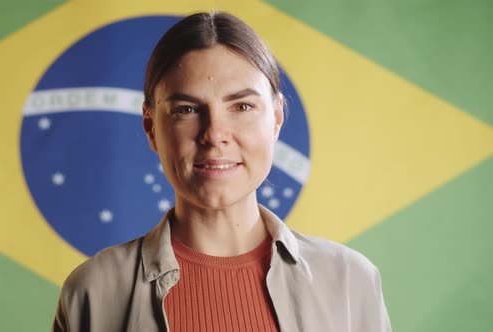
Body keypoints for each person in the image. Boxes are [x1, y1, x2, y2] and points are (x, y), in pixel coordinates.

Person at [52, 11, 391, 332]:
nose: (214, 134)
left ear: (276, 119)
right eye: (186, 109)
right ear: (151, 127)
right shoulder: (92, 292)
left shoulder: (350, 282)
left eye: (242, 106)